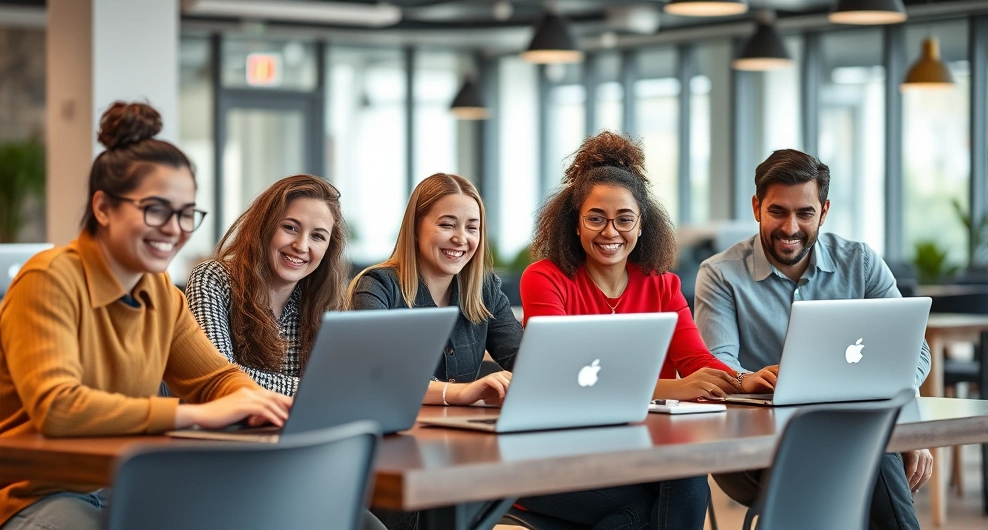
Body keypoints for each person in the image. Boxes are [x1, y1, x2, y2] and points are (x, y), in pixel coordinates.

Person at [0, 102, 292, 530]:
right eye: (156, 209)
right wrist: (194, 415)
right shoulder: (49, 278)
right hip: (25, 494)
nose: (174, 228)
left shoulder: (161, 294)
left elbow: (215, 379)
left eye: (186, 213)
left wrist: (257, 403)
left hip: (119, 483)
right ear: (103, 207)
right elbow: (57, 407)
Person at [517, 130, 775, 529]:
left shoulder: (661, 285)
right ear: (575, 224)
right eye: (596, 218)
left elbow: (695, 360)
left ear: (641, 226)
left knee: (687, 476)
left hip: (634, 451)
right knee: (647, 507)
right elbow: (563, 381)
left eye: (624, 219)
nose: (610, 232)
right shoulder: (545, 279)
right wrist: (671, 389)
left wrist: (743, 381)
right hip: (554, 457)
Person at [694, 148, 934, 529]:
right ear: (757, 207)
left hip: (853, 433)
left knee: (863, 448)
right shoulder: (720, 274)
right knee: (869, 453)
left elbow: (914, 350)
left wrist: (908, 429)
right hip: (755, 450)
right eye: (777, 211)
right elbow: (716, 365)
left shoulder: (861, 263)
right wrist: (747, 379)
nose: (790, 228)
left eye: (805, 213)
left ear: (823, 211)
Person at [348, 173, 521, 530]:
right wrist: (461, 393)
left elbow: (525, 361)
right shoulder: (377, 287)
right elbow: (384, 378)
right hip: (390, 463)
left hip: (456, 457)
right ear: (415, 228)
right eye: (447, 224)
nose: (461, 238)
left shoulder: (484, 289)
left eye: (472, 227)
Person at [185, 175, 349, 396]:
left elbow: (342, 384)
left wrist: (330, 391)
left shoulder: (325, 298)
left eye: (317, 236)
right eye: (290, 228)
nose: (301, 246)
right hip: (230, 418)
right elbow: (218, 375)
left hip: (307, 418)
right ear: (264, 226)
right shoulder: (213, 278)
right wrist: (318, 391)